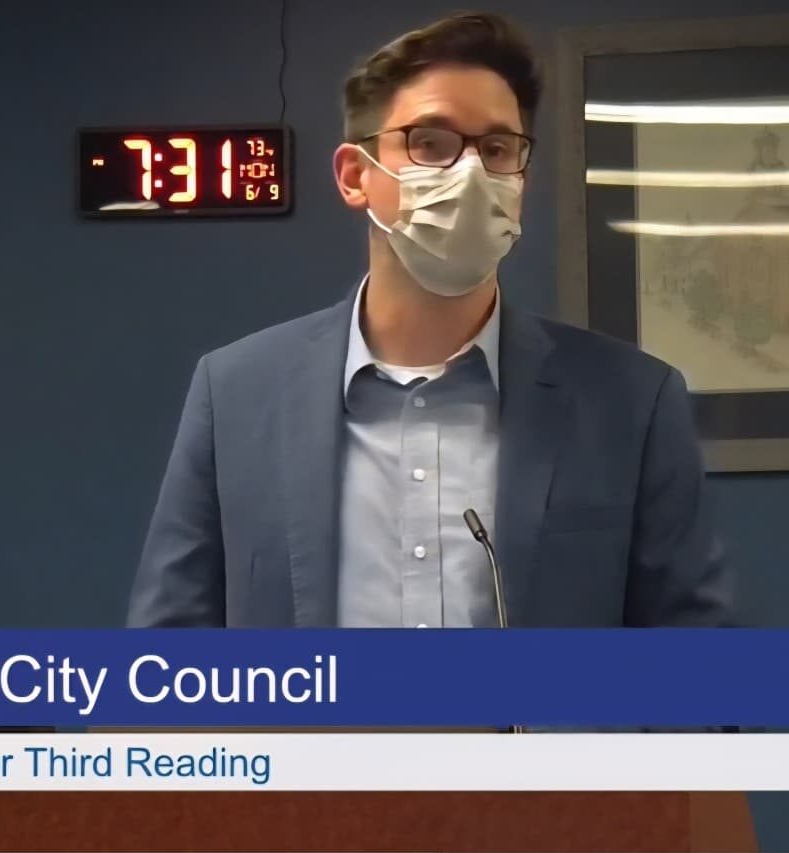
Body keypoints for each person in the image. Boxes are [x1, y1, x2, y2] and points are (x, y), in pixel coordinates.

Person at [128, 13, 733, 628]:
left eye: (497, 149)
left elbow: (706, 677)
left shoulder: (630, 401)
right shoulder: (236, 393)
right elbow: (168, 662)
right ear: (354, 176)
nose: (469, 173)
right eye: (430, 142)